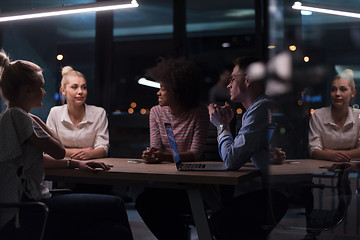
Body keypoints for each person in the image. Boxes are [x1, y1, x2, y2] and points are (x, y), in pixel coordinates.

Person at [0, 50, 133, 240]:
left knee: (113, 230)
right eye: (41, 87)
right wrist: (39, 120)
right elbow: (59, 150)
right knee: (116, 206)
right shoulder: (19, 117)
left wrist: (76, 163)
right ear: (27, 90)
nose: (45, 92)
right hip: (28, 210)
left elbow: (35, 161)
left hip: (27, 207)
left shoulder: (10, 116)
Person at [207, 57, 288, 240]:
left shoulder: (260, 109)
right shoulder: (256, 109)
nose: (228, 86)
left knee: (217, 221)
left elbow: (231, 160)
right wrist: (264, 154)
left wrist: (222, 127)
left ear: (248, 79)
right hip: (276, 195)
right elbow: (246, 151)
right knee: (222, 215)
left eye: (232, 79)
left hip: (275, 197)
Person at [135, 57, 209, 240]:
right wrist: (151, 155)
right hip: (166, 181)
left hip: (193, 182)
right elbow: (155, 148)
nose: (158, 93)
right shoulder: (156, 112)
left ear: (179, 90)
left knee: (154, 204)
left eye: (163, 88)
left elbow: (194, 154)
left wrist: (162, 156)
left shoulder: (198, 113)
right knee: (144, 202)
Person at [46, 66, 109, 160]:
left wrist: (90, 154)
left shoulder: (99, 113)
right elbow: (49, 148)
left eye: (84, 87)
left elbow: (103, 148)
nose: (80, 92)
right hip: (61, 166)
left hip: (91, 166)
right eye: (74, 87)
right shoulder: (55, 112)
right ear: (63, 91)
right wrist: (81, 152)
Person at [308, 70, 360, 162]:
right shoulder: (318, 115)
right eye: (333, 89)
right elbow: (313, 150)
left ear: (353, 93)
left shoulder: (358, 116)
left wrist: (331, 154)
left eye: (343, 89)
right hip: (321, 171)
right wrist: (330, 155)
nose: (337, 94)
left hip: (352, 170)